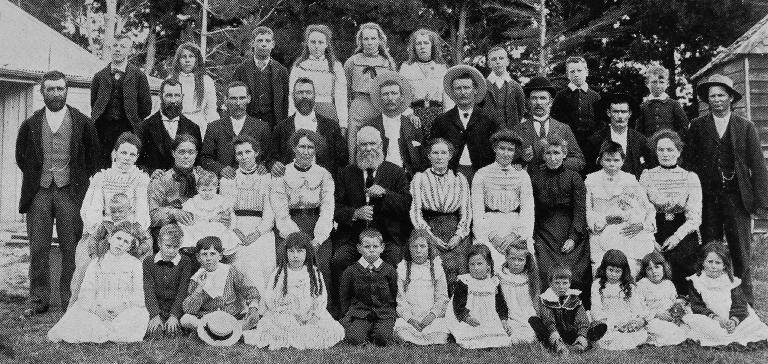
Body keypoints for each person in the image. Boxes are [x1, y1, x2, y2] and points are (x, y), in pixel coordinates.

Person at [16, 70, 100, 316]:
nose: (55, 93)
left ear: (67, 91)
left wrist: (74, 180)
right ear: (42, 92)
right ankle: (38, 301)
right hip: (39, 192)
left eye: (60, 89)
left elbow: (93, 159)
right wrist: (38, 177)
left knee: (71, 248)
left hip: (70, 193)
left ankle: (69, 301)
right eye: (50, 89)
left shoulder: (83, 122)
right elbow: (21, 157)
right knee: (38, 248)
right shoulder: (31, 123)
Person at [683, 73, 768, 304]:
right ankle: (707, 300)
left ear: (731, 97)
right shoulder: (698, 126)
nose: (717, 100)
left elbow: (758, 166)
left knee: (740, 250)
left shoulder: (745, 127)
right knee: (709, 249)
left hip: (736, 197)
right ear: (707, 100)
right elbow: (688, 164)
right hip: (708, 199)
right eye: (712, 96)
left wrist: (762, 202)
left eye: (721, 95)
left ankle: (744, 303)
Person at [47, 222, 150, 343]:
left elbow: (139, 294)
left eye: (126, 242)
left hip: (123, 308)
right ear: (110, 239)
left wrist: (122, 307)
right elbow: (85, 294)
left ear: (130, 247)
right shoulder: (96, 263)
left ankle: (111, 330)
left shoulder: (135, 264)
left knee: (136, 317)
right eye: (118, 238)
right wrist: (97, 310)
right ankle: (102, 329)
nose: (121, 243)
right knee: (81, 317)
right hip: (99, 307)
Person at [243, 231, 344, 350]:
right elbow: (270, 298)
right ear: (286, 253)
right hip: (286, 316)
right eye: (291, 251)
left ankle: (302, 335)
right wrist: (289, 315)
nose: (295, 255)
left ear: (307, 253)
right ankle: (294, 335)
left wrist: (314, 316)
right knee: (276, 329)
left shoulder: (313, 272)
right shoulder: (279, 273)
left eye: (300, 251)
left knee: (324, 330)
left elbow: (321, 298)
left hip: (309, 315)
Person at [270, 129, 334, 294]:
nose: (306, 152)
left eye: (310, 147)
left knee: (322, 262)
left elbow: (327, 209)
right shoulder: (282, 173)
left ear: (315, 150)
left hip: (316, 225)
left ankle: (320, 306)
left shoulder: (324, 174)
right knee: (288, 260)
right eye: (302, 147)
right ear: (294, 148)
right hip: (290, 226)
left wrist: (318, 239)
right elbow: (280, 210)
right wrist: (295, 238)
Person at [530, 137, 590, 307]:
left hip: (571, 231)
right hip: (544, 233)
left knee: (575, 273)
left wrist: (573, 237)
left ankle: (575, 312)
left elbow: (580, 210)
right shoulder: (535, 178)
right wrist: (532, 236)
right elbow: (532, 210)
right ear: (543, 156)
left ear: (564, 154)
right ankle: (548, 312)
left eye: (556, 153)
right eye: (548, 153)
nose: (552, 157)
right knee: (544, 270)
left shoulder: (574, 177)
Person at [639, 129, 702, 292]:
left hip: (682, 230)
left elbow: (694, 217)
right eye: (661, 150)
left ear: (678, 151)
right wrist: (649, 238)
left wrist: (676, 237)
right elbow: (640, 210)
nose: (665, 154)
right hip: (653, 230)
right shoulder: (646, 176)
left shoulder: (690, 177)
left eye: (670, 149)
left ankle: (683, 302)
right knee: (652, 262)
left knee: (681, 261)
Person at [585, 141, 655, 276]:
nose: (612, 164)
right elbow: (588, 210)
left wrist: (642, 225)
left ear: (623, 161)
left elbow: (648, 208)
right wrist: (603, 220)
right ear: (600, 160)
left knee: (628, 272)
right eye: (608, 160)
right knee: (602, 273)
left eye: (616, 160)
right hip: (601, 234)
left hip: (625, 235)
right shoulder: (590, 181)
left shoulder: (630, 180)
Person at [409, 137, 472, 287]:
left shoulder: (460, 178)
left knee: (462, 266)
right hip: (430, 228)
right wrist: (430, 237)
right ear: (429, 156)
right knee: (439, 267)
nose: (439, 156)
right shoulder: (420, 179)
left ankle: (459, 306)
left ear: (450, 156)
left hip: (455, 227)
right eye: (435, 153)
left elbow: (466, 211)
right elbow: (416, 212)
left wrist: (459, 235)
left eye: (443, 153)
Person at [70, 193, 151, 308]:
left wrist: (139, 250)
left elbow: (147, 240)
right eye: (113, 212)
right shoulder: (106, 225)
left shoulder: (135, 227)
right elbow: (94, 238)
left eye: (120, 211)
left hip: (127, 262)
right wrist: (94, 255)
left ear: (129, 210)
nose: (117, 215)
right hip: (108, 262)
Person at [148, 134, 227, 251]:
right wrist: (173, 212)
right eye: (181, 152)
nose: (186, 156)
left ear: (196, 154)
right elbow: (152, 215)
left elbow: (216, 202)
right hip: (173, 233)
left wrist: (221, 216)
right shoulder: (161, 179)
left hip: (204, 229)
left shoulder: (203, 177)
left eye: (191, 152)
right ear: (173, 153)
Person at [472, 130, 534, 273]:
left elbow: (528, 211)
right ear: (494, 149)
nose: (506, 154)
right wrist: (493, 237)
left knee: (522, 263)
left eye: (510, 150)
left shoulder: (522, 176)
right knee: (489, 263)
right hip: (489, 226)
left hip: (515, 227)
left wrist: (515, 235)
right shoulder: (481, 174)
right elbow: (477, 211)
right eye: (502, 148)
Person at [682, 242, 768, 347]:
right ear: (703, 263)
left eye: (718, 263)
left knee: (750, 324)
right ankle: (719, 334)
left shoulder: (730, 282)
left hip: (731, 316)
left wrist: (734, 320)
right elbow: (697, 306)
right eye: (710, 262)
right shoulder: (697, 281)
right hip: (709, 318)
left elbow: (740, 304)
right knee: (709, 329)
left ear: (724, 266)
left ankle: (732, 329)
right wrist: (714, 317)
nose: (713, 266)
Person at [219, 135, 276, 291]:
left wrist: (256, 234)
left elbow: (270, 213)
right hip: (236, 228)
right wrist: (236, 231)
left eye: (248, 152)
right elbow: (227, 209)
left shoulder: (267, 178)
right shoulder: (227, 180)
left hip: (261, 229)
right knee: (240, 261)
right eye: (239, 153)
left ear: (256, 152)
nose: (244, 157)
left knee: (261, 262)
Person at [91, 34, 152, 168]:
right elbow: (94, 103)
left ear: (129, 51)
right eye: (115, 46)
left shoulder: (139, 76)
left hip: (128, 128)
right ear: (110, 48)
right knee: (103, 165)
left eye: (122, 46)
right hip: (103, 129)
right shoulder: (99, 76)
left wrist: (133, 119)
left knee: (126, 163)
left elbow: (146, 106)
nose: (118, 49)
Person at [430, 65, 497, 182]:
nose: (463, 92)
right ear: (453, 91)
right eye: (458, 88)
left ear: (475, 90)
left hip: (482, 175)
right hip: (451, 175)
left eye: (466, 87)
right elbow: (432, 148)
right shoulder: (442, 120)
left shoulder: (488, 119)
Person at [271, 77, 348, 179]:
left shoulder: (331, 126)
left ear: (314, 96)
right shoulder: (281, 128)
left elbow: (342, 160)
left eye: (308, 92)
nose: (304, 96)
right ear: (293, 96)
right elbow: (271, 158)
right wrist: (273, 164)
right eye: (300, 92)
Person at [180, 237, 261, 332]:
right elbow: (189, 309)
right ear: (198, 257)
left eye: (213, 254)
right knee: (185, 319)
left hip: (232, 316)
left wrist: (253, 307)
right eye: (204, 254)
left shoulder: (230, 271)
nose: (208, 258)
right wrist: (199, 288)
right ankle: (225, 331)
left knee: (255, 319)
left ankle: (219, 331)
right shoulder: (196, 279)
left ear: (220, 256)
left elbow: (249, 289)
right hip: (208, 318)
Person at [344, 22, 398, 159]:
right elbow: (346, 89)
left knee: (379, 144)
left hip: (380, 107)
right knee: (354, 145)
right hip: (358, 107)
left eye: (373, 38)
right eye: (366, 39)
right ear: (360, 41)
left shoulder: (387, 63)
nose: (369, 42)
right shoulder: (352, 62)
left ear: (380, 40)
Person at [528, 266, 608, 355]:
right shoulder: (546, 298)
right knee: (534, 320)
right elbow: (548, 320)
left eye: (565, 283)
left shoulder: (574, 298)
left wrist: (581, 335)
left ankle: (580, 345)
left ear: (569, 284)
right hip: (554, 332)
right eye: (557, 283)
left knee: (598, 325)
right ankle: (557, 345)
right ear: (550, 283)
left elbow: (582, 320)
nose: (561, 287)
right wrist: (555, 335)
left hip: (571, 333)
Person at [201, 81, 273, 179]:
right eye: (233, 99)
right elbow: (205, 158)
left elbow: (269, 157)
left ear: (249, 99)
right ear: (226, 100)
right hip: (224, 183)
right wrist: (220, 169)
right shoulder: (213, 127)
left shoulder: (262, 127)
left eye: (242, 98)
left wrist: (264, 165)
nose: (238, 103)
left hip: (253, 182)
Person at [339, 228, 398, 346]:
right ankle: (363, 331)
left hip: (384, 314)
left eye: (375, 247)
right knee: (355, 339)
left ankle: (376, 332)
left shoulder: (389, 270)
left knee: (382, 339)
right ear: (359, 248)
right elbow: (344, 296)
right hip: (360, 314)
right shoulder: (351, 271)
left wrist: (391, 311)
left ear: (382, 248)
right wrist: (349, 314)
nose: (371, 250)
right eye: (367, 247)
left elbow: (394, 292)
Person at [512, 76, 584, 173]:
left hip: (557, 185)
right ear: (529, 102)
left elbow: (579, 161)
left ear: (550, 102)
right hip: (528, 185)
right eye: (534, 98)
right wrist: (522, 159)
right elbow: (508, 162)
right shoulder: (517, 130)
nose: (538, 102)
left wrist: (558, 163)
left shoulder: (564, 128)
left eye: (543, 98)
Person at [394, 230, 450, 345]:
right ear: (409, 248)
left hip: (431, 318)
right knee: (400, 329)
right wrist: (409, 319)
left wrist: (432, 315)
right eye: (414, 246)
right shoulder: (403, 268)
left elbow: (442, 298)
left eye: (422, 246)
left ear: (429, 248)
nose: (418, 250)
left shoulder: (436, 268)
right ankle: (411, 337)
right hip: (411, 319)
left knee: (442, 331)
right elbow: (400, 299)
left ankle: (425, 338)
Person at [448, 244, 510, 349]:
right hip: (470, 317)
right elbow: (458, 305)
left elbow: (500, 304)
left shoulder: (493, 282)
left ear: (488, 265)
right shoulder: (465, 282)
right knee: (470, 335)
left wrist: (503, 320)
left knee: (499, 338)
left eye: (479, 263)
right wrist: (466, 318)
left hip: (490, 318)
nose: (475, 268)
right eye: (472, 264)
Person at [364, 71, 425, 177]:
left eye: (394, 93)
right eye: (385, 94)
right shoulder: (370, 126)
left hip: (408, 177)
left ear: (401, 98)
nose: (390, 98)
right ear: (380, 98)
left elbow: (422, 158)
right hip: (380, 178)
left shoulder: (412, 124)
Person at [288, 24, 348, 129]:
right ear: (307, 44)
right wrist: (291, 118)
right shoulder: (299, 66)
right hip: (304, 110)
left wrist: (343, 123)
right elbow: (292, 94)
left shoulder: (335, 66)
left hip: (327, 112)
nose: (316, 46)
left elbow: (341, 96)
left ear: (326, 44)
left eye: (320, 42)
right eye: (313, 42)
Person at [138, 79, 202, 176]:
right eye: (169, 95)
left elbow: (198, 162)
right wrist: (150, 172)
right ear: (160, 97)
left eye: (177, 95)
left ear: (182, 97)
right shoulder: (144, 127)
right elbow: (137, 161)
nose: (173, 100)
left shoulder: (193, 128)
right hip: (156, 184)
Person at [590, 249, 649, 350]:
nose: (613, 274)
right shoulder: (597, 284)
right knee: (600, 329)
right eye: (610, 270)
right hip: (606, 319)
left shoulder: (629, 286)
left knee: (638, 334)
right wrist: (604, 321)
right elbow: (596, 306)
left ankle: (625, 335)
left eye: (618, 271)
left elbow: (635, 306)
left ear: (623, 271)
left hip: (625, 318)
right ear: (604, 269)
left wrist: (635, 319)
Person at [231, 26, 289, 128]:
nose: (263, 44)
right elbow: (232, 97)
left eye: (267, 41)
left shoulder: (281, 71)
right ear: (253, 43)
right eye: (260, 40)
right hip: (247, 121)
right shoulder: (241, 69)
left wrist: (282, 126)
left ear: (273, 44)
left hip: (273, 123)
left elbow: (285, 102)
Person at [399, 28, 453, 135]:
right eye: (418, 43)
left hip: (438, 116)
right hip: (414, 117)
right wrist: (409, 114)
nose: (422, 46)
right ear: (414, 47)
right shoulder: (406, 68)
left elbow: (447, 97)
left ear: (432, 46)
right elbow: (401, 95)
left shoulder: (442, 68)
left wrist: (447, 118)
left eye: (426, 43)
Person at [586, 93, 653, 178]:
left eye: (624, 112)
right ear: (608, 113)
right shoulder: (596, 140)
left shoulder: (640, 140)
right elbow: (590, 170)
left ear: (630, 113)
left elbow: (648, 167)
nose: (620, 116)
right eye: (616, 112)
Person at [144, 223, 192, 337]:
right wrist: (155, 314)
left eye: (175, 247)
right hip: (156, 307)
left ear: (180, 244)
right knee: (155, 333)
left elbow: (183, 290)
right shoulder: (148, 262)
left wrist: (174, 315)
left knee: (173, 332)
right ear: (159, 243)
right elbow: (148, 290)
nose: (171, 251)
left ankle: (175, 323)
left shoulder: (185, 261)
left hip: (175, 308)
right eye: (168, 246)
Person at [635, 251, 687, 347]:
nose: (654, 271)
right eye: (649, 269)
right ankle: (653, 337)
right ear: (645, 272)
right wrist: (656, 314)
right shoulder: (642, 285)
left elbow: (674, 301)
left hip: (670, 316)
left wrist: (678, 310)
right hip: (653, 319)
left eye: (657, 267)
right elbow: (639, 308)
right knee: (665, 330)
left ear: (664, 268)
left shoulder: (668, 284)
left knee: (689, 321)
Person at [168, 42, 219, 138]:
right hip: (176, 125)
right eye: (184, 57)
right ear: (178, 60)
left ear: (197, 59)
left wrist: (216, 132)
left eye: (191, 56)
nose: (187, 60)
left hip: (199, 125)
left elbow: (211, 110)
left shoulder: (206, 81)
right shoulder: (170, 80)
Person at [179, 171, 237, 254]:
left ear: (216, 188)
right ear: (197, 189)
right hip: (198, 226)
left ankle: (221, 247)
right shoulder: (193, 201)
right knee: (187, 229)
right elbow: (186, 213)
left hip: (215, 227)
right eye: (203, 190)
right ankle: (192, 246)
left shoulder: (221, 201)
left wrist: (227, 219)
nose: (207, 193)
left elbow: (230, 215)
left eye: (210, 190)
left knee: (224, 232)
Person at [551, 56, 602, 150]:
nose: (576, 74)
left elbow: (601, 122)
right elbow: (554, 120)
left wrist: (595, 139)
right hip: (567, 143)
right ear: (567, 74)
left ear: (586, 72)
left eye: (579, 70)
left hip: (592, 145)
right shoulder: (561, 96)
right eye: (572, 71)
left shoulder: (595, 96)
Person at [497, 241, 539, 344]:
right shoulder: (499, 276)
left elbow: (533, 303)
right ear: (506, 257)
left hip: (524, 315)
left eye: (520, 260)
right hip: (505, 315)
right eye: (512, 258)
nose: (516, 263)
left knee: (528, 334)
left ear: (526, 260)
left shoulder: (529, 278)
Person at [636, 64, 688, 138]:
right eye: (654, 82)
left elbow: (684, 126)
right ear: (647, 84)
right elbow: (639, 132)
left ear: (667, 84)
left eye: (661, 82)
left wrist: (674, 140)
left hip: (669, 146)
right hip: (649, 147)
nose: (658, 86)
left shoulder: (674, 104)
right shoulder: (643, 107)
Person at [481, 45, 526, 129]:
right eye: (494, 59)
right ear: (489, 64)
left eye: (501, 58)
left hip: (510, 134)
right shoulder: (483, 86)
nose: (498, 62)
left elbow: (521, 111)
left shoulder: (516, 87)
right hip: (487, 135)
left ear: (507, 62)